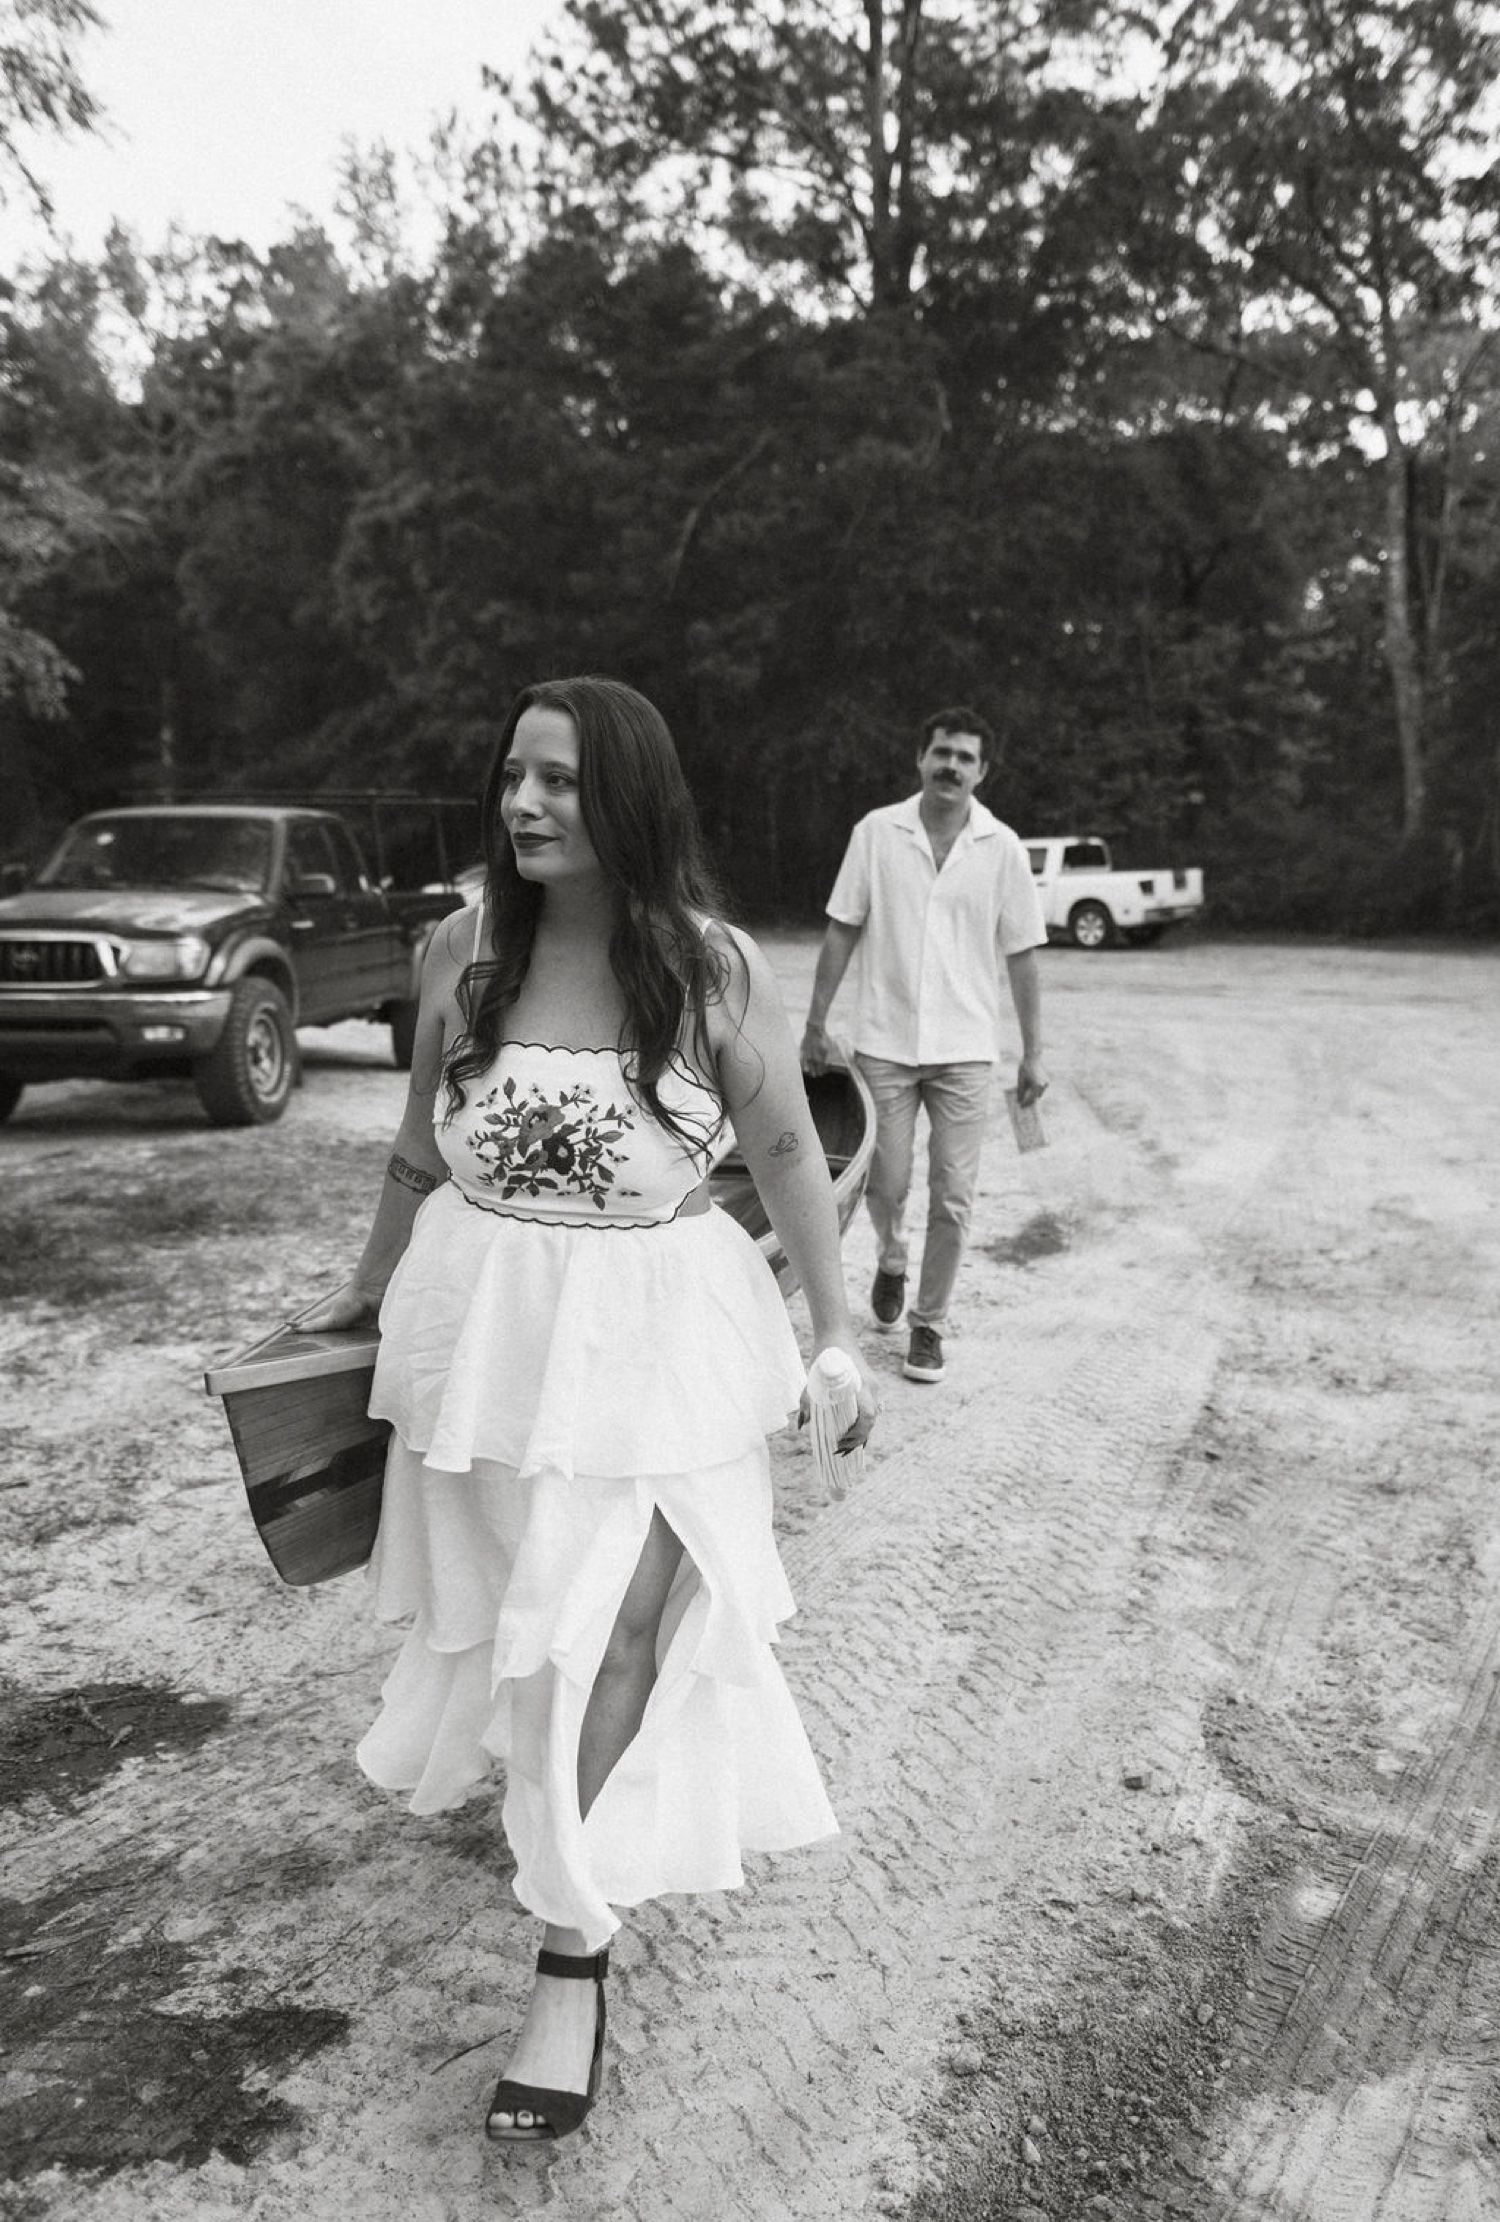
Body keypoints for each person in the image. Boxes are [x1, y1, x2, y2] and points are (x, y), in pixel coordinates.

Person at [299, 675, 876, 2146]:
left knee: (605, 1620)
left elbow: (792, 1149)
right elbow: (422, 1154)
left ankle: (570, 1950)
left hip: (662, 1340)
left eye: (556, 780)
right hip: (484, 1338)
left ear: (626, 794)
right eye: (511, 777)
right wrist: (361, 1297)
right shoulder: (460, 948)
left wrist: (838, 1332)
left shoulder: (708, 963)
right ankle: (566, 1830)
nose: (523, 803)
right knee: (523, 1632)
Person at [800, 706, 1048, 1386]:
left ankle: (929, 1324)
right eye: (942, 752)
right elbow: (841, 928)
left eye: (966, 757)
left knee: (956, 1192)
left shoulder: (1003, 848)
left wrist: (1034, 1051)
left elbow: (1023, 955)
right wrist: (816, 1022)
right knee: (886, 1178)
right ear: (920, 757)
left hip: (967, 1048)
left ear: (983, 770)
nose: (952, 766)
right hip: (884, 1041)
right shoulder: (877, 833)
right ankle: (891, 1250)